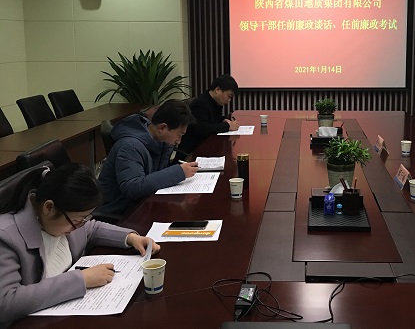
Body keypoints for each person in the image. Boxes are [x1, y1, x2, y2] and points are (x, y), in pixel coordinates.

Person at [0, 163, 160, 327]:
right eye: (77, 221)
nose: (79, 226)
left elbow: (91, 229)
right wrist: (81, 279)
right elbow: (5, 302)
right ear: (49, 207)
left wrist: (130, 238)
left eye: (84, 219)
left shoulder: (63, 215)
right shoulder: (6, 237)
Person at [96, 99, 198, 219]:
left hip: (141, 205)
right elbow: (133, 188)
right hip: (120, 213)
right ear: (162, 127)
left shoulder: (160, 141)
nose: (179, 141)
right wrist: (178, 172)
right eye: (179, 135)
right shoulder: (130, 146)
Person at [178, 74, 240, 154]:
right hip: (193, 151)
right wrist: (227, 126)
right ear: (217, 90)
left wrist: (224, 120)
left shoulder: (215, 101)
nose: (229, 100)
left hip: (207, 146)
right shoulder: (200, 104)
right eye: (229, 96)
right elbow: (203, 129)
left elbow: (214, 119)